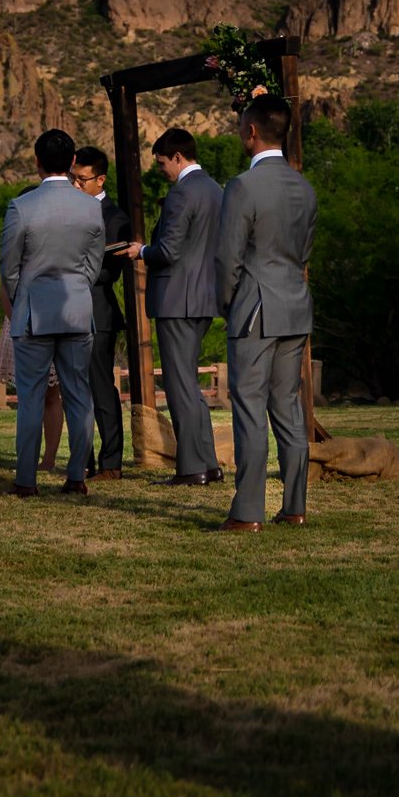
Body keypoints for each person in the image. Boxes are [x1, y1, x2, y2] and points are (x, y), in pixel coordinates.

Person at [212, 95, 317, 532]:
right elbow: (304, 252)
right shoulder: (304, 186)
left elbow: (227, 259)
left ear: (251, 131)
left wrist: (227, 303)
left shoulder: (241, 186)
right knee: (288, 409)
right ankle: (294, 507)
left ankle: (248, 511)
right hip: (295, 305)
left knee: (250, 410)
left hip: (253, 308)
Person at [0, 129, 105, 496]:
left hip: (33, 314)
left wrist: (24, 296)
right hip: (77, 310)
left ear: (37, 162)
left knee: (30, 397)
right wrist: (76, 289)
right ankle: (76, 476)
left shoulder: (21, 206)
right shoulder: (91, 206)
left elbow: (8, 267)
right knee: (79, 394)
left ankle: (26, 480)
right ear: (73, 162)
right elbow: (93, 264)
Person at [123, 128, 223, 487]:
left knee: (181, 387)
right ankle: (207, 463)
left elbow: (169, 250)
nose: (162, 170)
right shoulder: (216, 190)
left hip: (176, 300)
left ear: (178, 157)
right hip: (204, 298)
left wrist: (141, 252)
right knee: (189, 386)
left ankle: (193, 467)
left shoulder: (182, 194)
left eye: (163, 163)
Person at [72, 145, 133, 480]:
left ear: (100, 179)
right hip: (70, 312)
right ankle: (83, 459)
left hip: (98, 310)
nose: (77, 186)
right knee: (74, 387)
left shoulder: (115, 218)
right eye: (73, 179)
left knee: (100, 387)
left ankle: (111, 462)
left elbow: (110, 271)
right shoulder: (71, 210)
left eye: (82, 180)